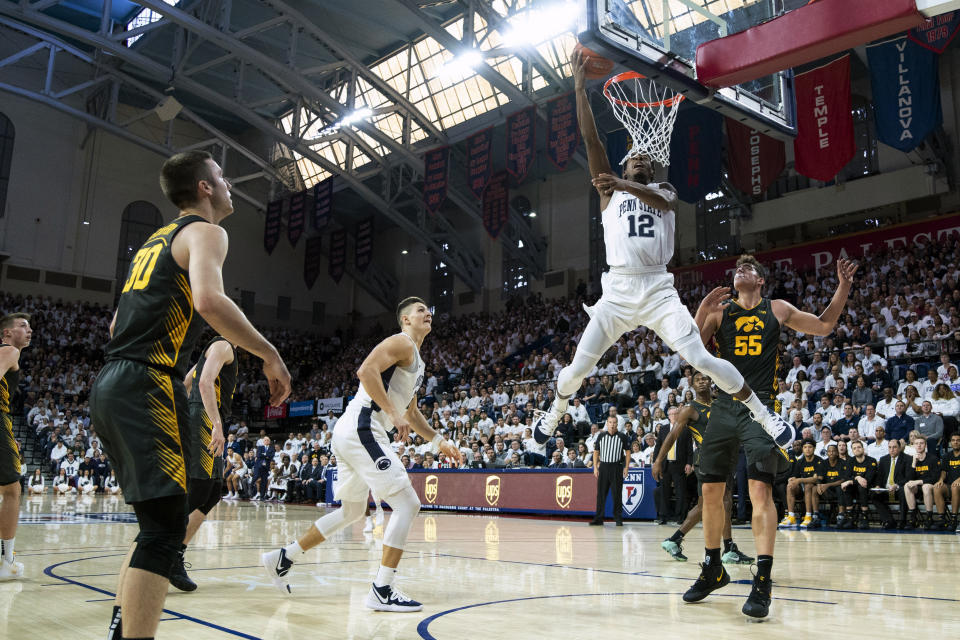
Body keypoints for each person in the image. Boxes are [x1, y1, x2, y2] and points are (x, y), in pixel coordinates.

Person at [532, 51, 797, 460]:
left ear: (651, 166)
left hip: (658, 288)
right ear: (625, 163)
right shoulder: (609, 192)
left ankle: (766, 417)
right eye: (632, 157)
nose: (639, 158)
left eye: (644, 158)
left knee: (700, 358)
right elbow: (591, 139)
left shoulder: (664, 192)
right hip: (617, 291)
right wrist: (579, 88)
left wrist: (623, 180)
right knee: (578, 369)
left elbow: (662, 201)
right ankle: (554, 412)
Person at [89, 150, 291, 640]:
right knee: (163, 532)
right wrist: (269, 354)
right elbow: (208, 300)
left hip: (113, 380)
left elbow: (118, 322)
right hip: (144, 381)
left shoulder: (154, 242)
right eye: (221, 176)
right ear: (204, 187)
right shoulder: (206, 231)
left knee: (155, 527)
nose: (227, 184)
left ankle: (122, 628)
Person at [261, 298, 462, 612]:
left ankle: (284, 558)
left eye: (429, 309)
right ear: (405, 319)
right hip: (362, 426)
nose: (427, 313)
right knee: (408, 503)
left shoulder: (417, 360)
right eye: (419, 309)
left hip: (353, 430)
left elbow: (411, 413)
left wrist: (439, 441)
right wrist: (391, 412)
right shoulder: (401, 341)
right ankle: (382, 590)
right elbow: (365, 370)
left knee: (352, 512)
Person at [684, 255, 856, 619]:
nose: (740, 272)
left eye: (748, 269)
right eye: (737, 270)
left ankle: (763, 579)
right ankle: (714, 566)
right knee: (711, 491)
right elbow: (692, 355)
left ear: (761, 281)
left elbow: (825, 325)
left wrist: (843, 287)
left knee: (759, 489)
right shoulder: (719, 312)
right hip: (724, 408)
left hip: (761, 406)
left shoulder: (776, 309)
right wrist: (701, 310)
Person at [653, 372, 753, 565]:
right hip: (706, 459)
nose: (701, 382)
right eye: (697, 379)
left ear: (710, 382)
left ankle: (674, 540)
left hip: (724, 459)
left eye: (705, 379)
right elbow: (672, 436)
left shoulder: (718, 403)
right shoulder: (689, 410)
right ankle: (729, 548)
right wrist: (658, 460)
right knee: (724, 501)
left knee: (704, 506)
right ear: (691, 384)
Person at [168, 336, 238, 592]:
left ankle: (174, 552)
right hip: (207, 416)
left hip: (201, 414)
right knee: (200, 487)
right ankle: (161, 547)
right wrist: (215, 424)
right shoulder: (223, 346)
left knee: (213, 491)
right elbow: (205, 382)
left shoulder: (213, 349)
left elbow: (186, 382)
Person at [0, 312, 31, 581]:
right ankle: (5, 561)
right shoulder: (9, 350)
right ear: (7, 333)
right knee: (12, 490)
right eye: (22, 326)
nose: (28, 330)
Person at [590, 415, 630, 526]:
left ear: (617, 424)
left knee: (617, 494)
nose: (612, 424)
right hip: (603, 467)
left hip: (616, 467)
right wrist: (595, 467)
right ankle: (598, 518)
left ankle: (618, 518)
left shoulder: (622, 436)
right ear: (607, 423)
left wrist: (626, 467)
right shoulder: (601, 436)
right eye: (610, 422)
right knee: (601, 494)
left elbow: (627, 452)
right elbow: (596, 452)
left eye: (614, 422)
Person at [780, 439, 823, 529]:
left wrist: (799, 480)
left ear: (814, 448)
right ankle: (791, 517)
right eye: (805, 447)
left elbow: (816, 479)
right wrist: (792, 480)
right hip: (801, 489)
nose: (807, 449)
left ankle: (808, 516)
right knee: (790, 486)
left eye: (810, 447)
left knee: (808, 485)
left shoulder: (819, 461)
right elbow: (795, 477)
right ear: (802, 449)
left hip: (817, 490)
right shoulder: (800, 462)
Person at [871, 439, 911, 529]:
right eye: (890, 447)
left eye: (894, 447)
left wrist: (896, 485)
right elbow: (879, 477)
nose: (892, 450)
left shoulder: (907, 459)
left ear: (900, 448)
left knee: (903, 491)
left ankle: (903, 521)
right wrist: (877, 486)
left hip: (898, 488)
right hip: (886, 489)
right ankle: (889, 520)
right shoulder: (883, 459)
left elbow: (908, 477)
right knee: (874, 495)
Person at [840, 440, 878, 529]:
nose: (857, 449)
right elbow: (847, 477)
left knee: (862, 486)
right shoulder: (850, 461)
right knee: (847, 486)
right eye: (854, 448)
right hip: (854, 488)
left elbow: (868, 479)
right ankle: (850, 518)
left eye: (859, 447)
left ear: (863, 449)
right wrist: (857, 478)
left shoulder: (871, 461)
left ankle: (864, 517)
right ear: (852, 451)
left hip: (868, 488)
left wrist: (852, 480)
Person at [935, 433, 960, 533]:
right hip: (951, 486)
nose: (955, 442)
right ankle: (942, 519)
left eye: (958, 440)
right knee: (936, 487)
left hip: (957, 486)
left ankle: (954, 519)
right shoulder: (947, 456)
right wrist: (941, 480)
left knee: (955, 486)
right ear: (950, 442)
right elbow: (944, 471)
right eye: (953, 440)